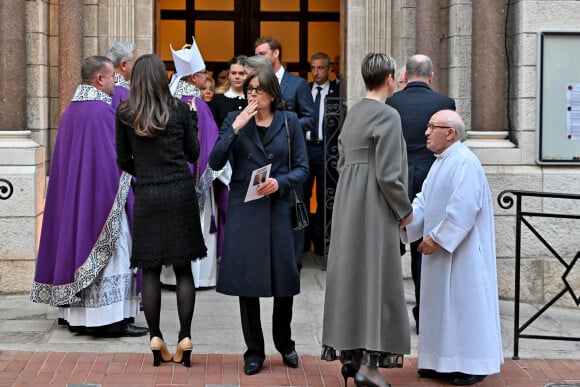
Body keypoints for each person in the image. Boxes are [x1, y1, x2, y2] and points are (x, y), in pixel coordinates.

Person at [29, 56, 147, 338]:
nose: (115, 82)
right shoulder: (100, 112)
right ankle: (109, 320)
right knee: (117, 252)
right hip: (101, 199)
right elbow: (114, 162)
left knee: (77, 246)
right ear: (100, 79)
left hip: (78, 198)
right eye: (112, 78)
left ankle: (77, 316)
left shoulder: (72, 110)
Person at [208, 67, 309, 376]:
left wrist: (280, 182)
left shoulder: (289, 122)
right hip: (245, 208)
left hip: (278, 207)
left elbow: (303, 168)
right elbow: (214, 161)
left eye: (259, 90)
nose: (252, 94)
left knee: (284, 281)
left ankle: (285, 343)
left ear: (272, 94)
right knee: (247, 283)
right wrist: (235, 128)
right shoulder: (233, 121)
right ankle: (254, 351)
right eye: (249, 89)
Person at [321, 53, 413, 387]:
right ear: (389, 78)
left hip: (348, 203)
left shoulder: (354, 113)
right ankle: (369, 369)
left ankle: (352, 359)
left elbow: (342, 163)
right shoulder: (388, 115)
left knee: (353, 282)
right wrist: (405, 210)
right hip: (374, 205)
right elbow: (389, 175)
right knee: (377, 282)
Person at [116, 54, 207, 367]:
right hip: (180, 192)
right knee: (183, 269)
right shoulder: (180, 110)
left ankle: (155, 336)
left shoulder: (126, 113)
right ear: (162, 77)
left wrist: (144, 170)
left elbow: (122, 160)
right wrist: (193, 121)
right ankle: (185, 336)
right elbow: (193, 154)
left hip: (149, 195)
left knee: (150, 269)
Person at [400, 109, 503, 386]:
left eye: (432, 127)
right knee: (440, 309)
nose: (426, 132)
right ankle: (439, 362)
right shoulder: (441, 162)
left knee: (464, 308)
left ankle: (473, 363)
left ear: (450, 132)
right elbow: (424, 200)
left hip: (463, 253)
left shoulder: (465, 162)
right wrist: (406, 219)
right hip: (440, 255)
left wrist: (437, 238)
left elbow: (464, 207)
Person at [386, 54, 456, 334]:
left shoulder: (392, 103)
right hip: (431, 181)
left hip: (398, 182)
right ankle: (424, 314)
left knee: (391, 247)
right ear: (431, 75)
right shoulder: (445, 104)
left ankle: (388, 314)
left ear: (406, 75)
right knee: (423, 249)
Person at [162, 38, 229, 289]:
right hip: (196, 181)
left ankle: (168, 278)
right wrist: (227, 174)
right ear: (192, 79)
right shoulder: (197, 105)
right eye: (202, 73)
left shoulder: (167, 103)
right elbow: (212, 147)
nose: (206, 76)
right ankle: (199, 278)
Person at [254, 36, 315, 269]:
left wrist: (285, 126)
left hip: (290, 158)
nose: (259, 58)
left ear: (276, 53)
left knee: (294, 208)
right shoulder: (255, 84)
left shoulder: (297, 84)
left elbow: (310, 118)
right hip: (262, 157)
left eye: (262, 53)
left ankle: (293, 263)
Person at [304, 52, 339, 258]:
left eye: (321, 68)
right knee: (303, 195)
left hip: (328, 150)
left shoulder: (337, 91)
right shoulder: (305, 90)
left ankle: (323, 243)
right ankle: (303, 243)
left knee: (326, 196)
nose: (316, 72)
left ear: (329, 69)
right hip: (306, 148)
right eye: (313, 68)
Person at [209, 55, 248, 128]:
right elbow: (212, 129)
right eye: (233, 73)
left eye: (241, 73)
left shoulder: (254, 97)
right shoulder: (217, 99)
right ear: (229, 75)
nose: (237, 77)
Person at [105, 41, 138, 110]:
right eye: (135, 63)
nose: (137, 67)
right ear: (124, 65)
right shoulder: (123, 95)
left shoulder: (102, 88)